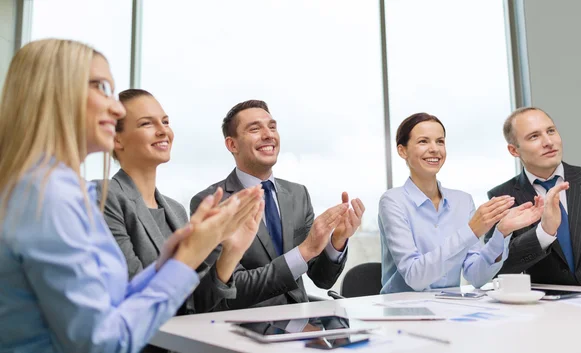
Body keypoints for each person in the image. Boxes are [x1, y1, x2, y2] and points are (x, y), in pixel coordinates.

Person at [0, 39, 262, 353]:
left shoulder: (61, 189)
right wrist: (188, 256)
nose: (115, 107)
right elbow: (103, 342)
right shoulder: (48, 197)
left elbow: (113, 302)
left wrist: (175, 259)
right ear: (54, 93)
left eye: (165, 121)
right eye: (100, 87)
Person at [190, 99, 365, 310]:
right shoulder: (212, 203)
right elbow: (230, 290)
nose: (268, 134)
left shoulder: (298, 194)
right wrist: (304, 250)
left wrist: (337, 241)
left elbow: (322, 280)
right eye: (255, 129)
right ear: (232, 144)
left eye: (272, 127)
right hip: (245, 328)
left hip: (301, 325)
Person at [104, 89, 259, 314]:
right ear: (117, 139)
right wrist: (198, 243)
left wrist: (232, 251)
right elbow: (135, 295)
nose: (162, 131)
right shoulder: (107, 197)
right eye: (147, 124)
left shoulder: (175, 210)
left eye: (165, 122)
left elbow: (196, 303)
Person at [379, 112, 543, 293]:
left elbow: (476, 277)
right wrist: (471, 230)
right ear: (402, 150)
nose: (435, 149)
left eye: (440, 141)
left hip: (449, 310)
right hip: (402, 312)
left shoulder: (462, 201)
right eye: (423, 141)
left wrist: (501, 233)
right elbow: (415, 277)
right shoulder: (393, 201)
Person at [485, 107, 581, 285]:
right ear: (514, 150)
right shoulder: (502, 197)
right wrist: (543, 233)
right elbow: (496, 269)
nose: (548, 142)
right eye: (534, 136)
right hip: (544, 308)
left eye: (551, 131)